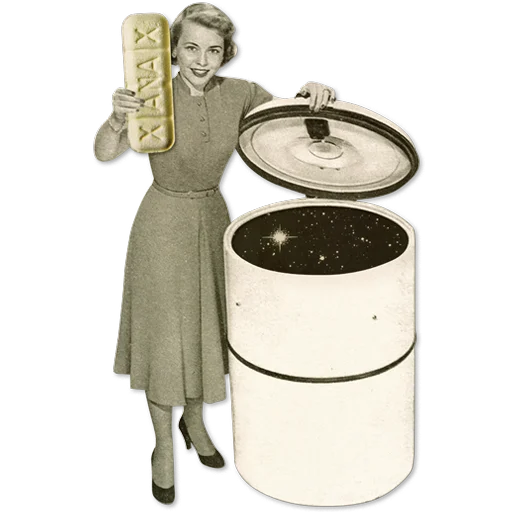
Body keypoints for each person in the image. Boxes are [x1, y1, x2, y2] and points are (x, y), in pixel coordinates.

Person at [94, 3, 335, 506]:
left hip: (213, 220)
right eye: (191, 48)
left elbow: (287, 121)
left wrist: (313, 93)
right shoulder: (151, 95)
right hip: (163, 225)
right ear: (172, 51)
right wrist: (116, 119)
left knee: (204, 329)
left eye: (213, 50)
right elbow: (104, 152)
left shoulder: (242, 94)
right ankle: (163, 445)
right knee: (167, 338)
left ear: (227, 53)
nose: (202, 60)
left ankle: (196, 422)